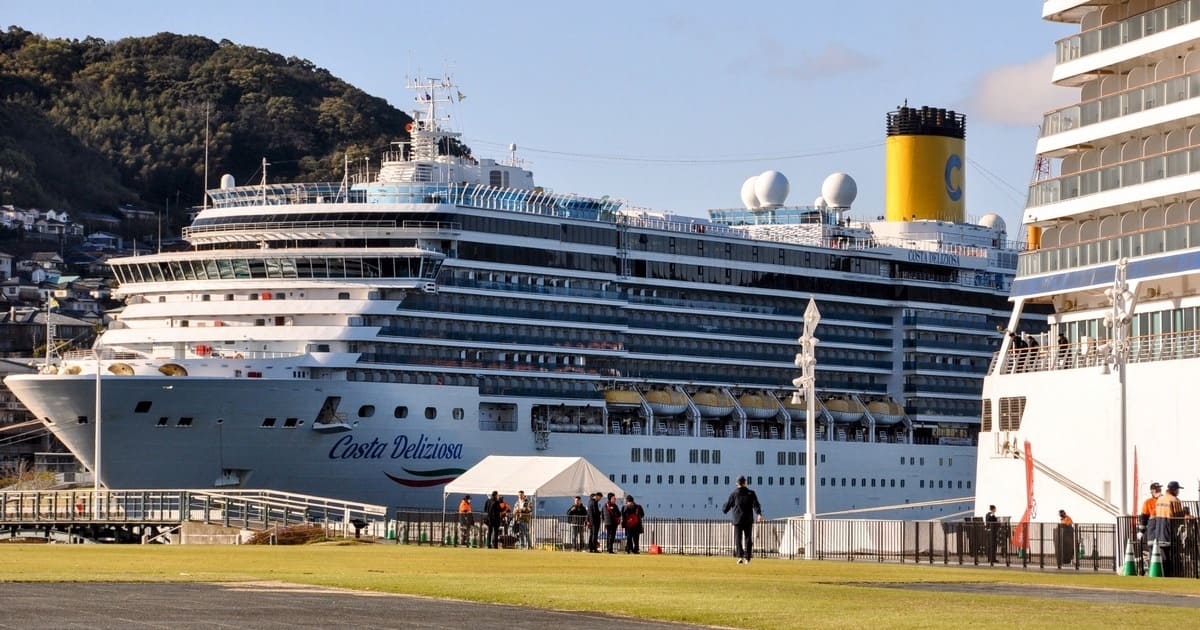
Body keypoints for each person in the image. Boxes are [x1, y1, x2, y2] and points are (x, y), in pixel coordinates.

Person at [722, 476, 763, 564]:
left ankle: (740, 556)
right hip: (748, 519)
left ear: (737, 483)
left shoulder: (734, 494)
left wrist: (724, 509)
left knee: (738, 539)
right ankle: (747, 558)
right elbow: (756, 505)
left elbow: (727, 506)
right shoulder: (751, 493)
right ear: (745, 482)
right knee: (748, 539)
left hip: (737, 520)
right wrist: (759, 514)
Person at [1151, 481, 1186, 576]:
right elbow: (1179, 518)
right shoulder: (1174, 500)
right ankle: (1172, 574)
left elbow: (1154, 515)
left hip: (1159, 532)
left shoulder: (1160, 499)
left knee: (1163, 556)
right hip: (1170, 531)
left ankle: (1163, 574)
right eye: (1178, 489)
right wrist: (1185, 513)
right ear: (1174, 490)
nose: (1178, 491)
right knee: (1172, 556)